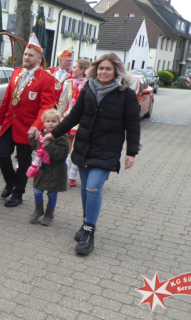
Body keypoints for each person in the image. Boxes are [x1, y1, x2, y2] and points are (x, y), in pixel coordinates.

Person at [43, 53, 140, 255]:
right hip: (84, 146)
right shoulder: (89, 88)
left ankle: (89, 232)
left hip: (108, 149)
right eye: (101, 68)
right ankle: (87, 222)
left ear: (116, 72)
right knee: (86, 190)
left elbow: (132, 125)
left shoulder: (126, 94)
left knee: (93, 187)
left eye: (108, 69)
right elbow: (74, 116)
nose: (103, 72)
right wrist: (54, 134)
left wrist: (131, 152)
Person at [0, 33, 55, 207]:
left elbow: (46, 107)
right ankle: (10, 182)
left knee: (23, 161)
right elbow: (7, 99)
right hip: (9, 123)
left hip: (29, 128)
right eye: (25, 54)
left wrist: (37, 126)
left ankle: (18, 193)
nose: (26, 57)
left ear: (39, 58)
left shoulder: (46, 79)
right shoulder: (16, 72)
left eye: (30, 55)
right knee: (2, 154)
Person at [27, 109, 68, 226]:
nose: (51, 124)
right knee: (37, 191)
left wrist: (48, 144)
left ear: (59, 123)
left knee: (52, 194)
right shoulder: (42, 134)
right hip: (42, 170)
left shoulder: (62, 138)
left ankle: (49, 214)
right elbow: (37, 148)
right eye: (48, 121)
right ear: (43, 123)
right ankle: (38, 209)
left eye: (54, 121)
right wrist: (31, 138)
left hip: (56, 171)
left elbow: (60, 155)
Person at [57, 58, 91, 187]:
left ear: (83, 70)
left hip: (85, 121)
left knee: (80, 148)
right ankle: (64, 174)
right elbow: (62, 103)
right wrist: (56, 118)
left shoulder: (90, 84)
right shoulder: (69, 83)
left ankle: (73, 175)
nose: (72, 69)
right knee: (66, 147)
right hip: (70, 118)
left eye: (75, 67)